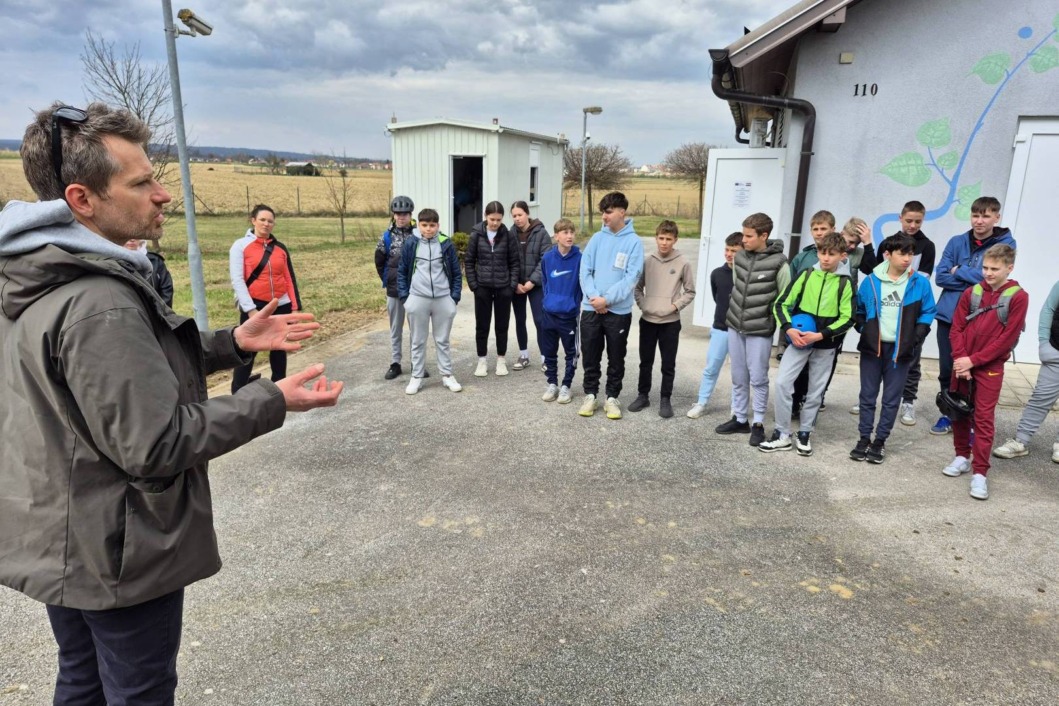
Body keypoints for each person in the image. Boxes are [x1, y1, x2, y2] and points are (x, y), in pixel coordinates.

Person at [0, 101, 343, 706]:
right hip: (116, 552)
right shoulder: (97, 301)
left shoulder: (35, 274)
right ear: (82, 200)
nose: (162, 194)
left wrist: (232, 342)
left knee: (80, 680)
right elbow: (155, 442)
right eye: (141, 182)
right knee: (138, 692)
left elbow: (117, 381)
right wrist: (272, 399)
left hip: (63, 537)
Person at [942, 243, 1028, 500]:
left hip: (988, 367)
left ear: (1009, 268)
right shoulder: (971, 292)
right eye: (985, 268)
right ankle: (961, 457)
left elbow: (1006, 338)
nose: (988, 273)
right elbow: (956, 328)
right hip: (963, 364)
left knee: (983, 419)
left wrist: (973, 361)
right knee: (958, 411)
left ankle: (980, 472)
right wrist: (960, 359)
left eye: (994, 269)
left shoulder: (1018, 296)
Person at [758, 232, 852, 455]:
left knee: (815, 391)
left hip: (825, 344)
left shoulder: (845, 283)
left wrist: (821, 335)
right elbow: (781, 304)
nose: (826, 258)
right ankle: (782, 434)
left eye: (831, 254)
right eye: (822, 253)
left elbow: (848, 318)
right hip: (799, 341)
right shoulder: (806, 274)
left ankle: (805, 433)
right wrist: (790, 328)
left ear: (842, 256)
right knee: (782, 383)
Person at [931, 196, 1015, 435]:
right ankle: (949, 414)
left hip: (983, 319)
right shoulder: (956, 241)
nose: (979, 221)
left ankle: (972, 420)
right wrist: (973, 276)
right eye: (975, 215)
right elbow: (941, 277)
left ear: (996, 217)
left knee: (976, 372)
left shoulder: (1006, 244)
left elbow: (993, 281)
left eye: (986, 216)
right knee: (949, 369)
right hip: (949, 316)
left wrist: (960, 270)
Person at [851, 235, 936, 464]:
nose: (908, 258)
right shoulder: (870, 282)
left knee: (891, 399)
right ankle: (863, 438)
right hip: (873, 349)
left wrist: (917, 336)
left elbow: (928, 312)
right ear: (888, 255)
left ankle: (879, 441)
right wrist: (863, 328)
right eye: (902, 253)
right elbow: (858, 309)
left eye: (910, 254)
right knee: (867, 396)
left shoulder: (920, 283)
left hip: (900, 351)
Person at [714, 212, 790, 446]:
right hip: (735, 326)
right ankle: (739, 418)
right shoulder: (741, 258)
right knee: (738, 376)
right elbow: (737, 285)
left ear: (763, 236)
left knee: (758, 378)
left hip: (760, 329)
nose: (743, 240)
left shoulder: (780, 262)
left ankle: (757, 423)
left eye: (749, 236)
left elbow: (785, 295)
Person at [577, 192, 644, 420]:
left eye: (608, 212)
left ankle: (612, 398)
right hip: (591, 308)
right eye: (602, 213)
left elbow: (631, 278)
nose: (604, 217)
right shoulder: (596, 239)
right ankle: (590, 395)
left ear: (621, 212)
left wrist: (607, 300)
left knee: (616, 357)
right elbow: (585, 270)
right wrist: (595, 298)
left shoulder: (634, 242)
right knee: (590, 355)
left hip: (618, 312)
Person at [229, 203, 302, 393]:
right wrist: (250, 309)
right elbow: (237, 280)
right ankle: (238, 390)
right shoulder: (240, 246)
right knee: (247, 349)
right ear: (253, 220)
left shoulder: (280, 248)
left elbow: (288, 278)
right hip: (255, 304)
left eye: (270, 221)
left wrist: (294, 308)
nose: (266, 224)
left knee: (279, 349)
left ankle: (279, 388)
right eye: (262, 220)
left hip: (281, 303)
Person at [630, 220, 696, 418]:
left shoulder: (683, 262)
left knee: (668, 363)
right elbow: (637, 287)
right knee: (645, 361)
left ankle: (665, 399)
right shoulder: (647, 260)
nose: (664, 242)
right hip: (648, 320)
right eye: (661, 238)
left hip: (670, 323)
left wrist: (674, 306)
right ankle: (643, 395)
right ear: (656, 238)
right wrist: (645, 305)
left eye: (669, 239)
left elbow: (690, 291)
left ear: (675, 240)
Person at [396, 208, 462, 395]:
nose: (428, 229)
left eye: (432, 225)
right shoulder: (411, 243)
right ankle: (416, 377)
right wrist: (406, 298)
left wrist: (453, 298)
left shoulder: (445, 244)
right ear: (418, 225)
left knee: (442, 340)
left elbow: (456, 273)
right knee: (417, 340)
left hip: (442, 298)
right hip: (418, 298)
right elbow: (402, 271)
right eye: (424, 225)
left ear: (438, 226)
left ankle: (447, 375)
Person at [994, 278, 1059, 463]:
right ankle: (1020, 441)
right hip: (1056, 351)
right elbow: (1048, 309)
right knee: (1040, 398)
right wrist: (1044, 343)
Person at [688, 232, 742, 419]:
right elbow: (717, 297)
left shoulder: (745, 276)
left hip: (741, 331)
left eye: (734, 251)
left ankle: (737, 408)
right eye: (727, 249)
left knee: (739, 372)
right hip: (720, 328)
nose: (729, 254)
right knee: (711, 368)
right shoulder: (717, 274)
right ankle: (701, 402)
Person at [465, 200, 519, 377]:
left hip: (504, 288)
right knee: (482, 326)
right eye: (492, 219)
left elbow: (514, 262)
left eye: (498, 219)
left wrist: (511, 287)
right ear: (485, 217)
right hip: (483, 288)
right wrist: (474, 286)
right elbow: (469, 261)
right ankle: (482, 361)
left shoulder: (508, 235)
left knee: (501, 325)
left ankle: (501, 360)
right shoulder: (476, 235)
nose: (495, 223)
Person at [896, 200, 935, 426]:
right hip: (888, 307)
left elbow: (923, 280)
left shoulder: (927, 246)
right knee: (882, 356)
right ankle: (872, 399)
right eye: (909, 220)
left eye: (917, 221)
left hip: (913, 309)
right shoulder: (889, 242)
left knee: (912, 358)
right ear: (900, 218)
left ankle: (908, 401)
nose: (912, 225)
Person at [539, 218, 582, 404]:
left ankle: (566, 386)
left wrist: (574, 303)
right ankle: (552, 383)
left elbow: (582, 286)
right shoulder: (547, 258)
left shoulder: (580, 259)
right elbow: (545, 283)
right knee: (549, 351)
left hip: (569, 315)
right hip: (549, 313)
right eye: (565, 232)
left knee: (571, 353)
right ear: (556, 236)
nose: (569, 236)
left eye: (571, 232)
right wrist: (548, 301)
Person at [375, 195, 417, 380]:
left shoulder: (417, 235)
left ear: (410, 215)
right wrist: (388, 279)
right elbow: (379, 261)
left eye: (405, 214)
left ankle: (417, 363)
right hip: (394, 291)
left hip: (416, 291)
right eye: (398, 214)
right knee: (395, 328)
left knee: (416, 329)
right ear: (394, 215)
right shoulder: (386, 236)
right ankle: (395, 363)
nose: (401, 217)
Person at [510, 200, 553, 371]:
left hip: (536, 285)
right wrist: (515, 283)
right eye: (514, 216)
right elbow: (508, 259)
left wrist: (531, 282)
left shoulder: (542, 233)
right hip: (517, 286)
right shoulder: (509, 234)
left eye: (520, 215)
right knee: (520, 320)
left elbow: (546, 260)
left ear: (527, 214)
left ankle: (546, 358)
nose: (517, 219)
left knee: (540, 320)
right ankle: (524, 355)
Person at [123, 238, 173, 307]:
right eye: (127, 235)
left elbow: (166, 291)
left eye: (135, 235)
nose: (132, 239)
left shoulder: (156, 261)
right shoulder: (111, 262)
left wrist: (160, 314)